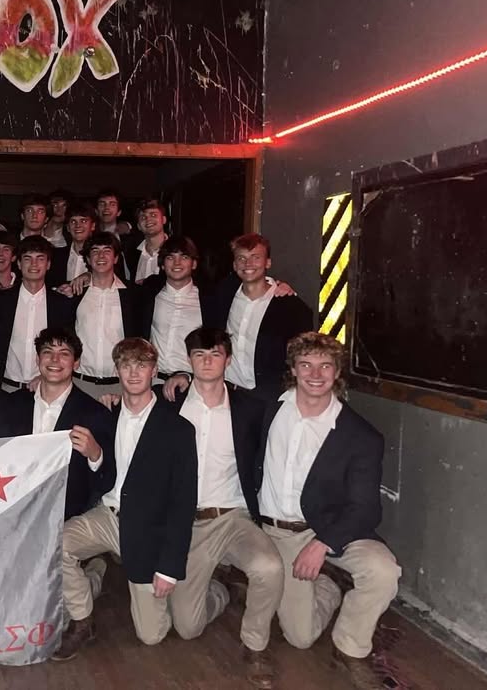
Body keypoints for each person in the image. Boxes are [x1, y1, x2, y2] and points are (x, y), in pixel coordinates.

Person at [257, 332, 400, 690]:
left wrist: (322, 543)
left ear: (337, 372)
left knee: (383, 570)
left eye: (325, 366)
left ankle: (351, 647)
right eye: (306, 365)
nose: (315, 374)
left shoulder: (361, 435)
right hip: (280, 531)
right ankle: (329, 587)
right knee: (300, 637)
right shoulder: (266, 407)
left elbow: (366, 509)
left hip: (333, 527)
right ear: (293, 369)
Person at [53, 337, 196, 660]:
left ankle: (211, 589)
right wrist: (95, 456)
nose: (133, 373)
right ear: (117, 370)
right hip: (108, 516)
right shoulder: (106, 416)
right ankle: (82, 620)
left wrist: (169, 567)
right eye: (126, 365)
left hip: (148, 529)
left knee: (151, 635)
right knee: (55, 544)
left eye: (141, 365)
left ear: (154, 371)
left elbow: (182, 503)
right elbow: (103, 475)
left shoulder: (177, 428)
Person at [165, 327, 284, 688]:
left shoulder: (250, 409)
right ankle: (222, 589)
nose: (207, 361)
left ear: (228, 360)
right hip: (185, 524)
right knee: (187, 627)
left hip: (232, 516)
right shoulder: (168, 403)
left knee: (269, 566)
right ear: (188, 360)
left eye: (215, 354)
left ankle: (256, 645)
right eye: (199, 355)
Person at [3, 327, 114, 520]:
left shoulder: (95, 413)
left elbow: (106, 481)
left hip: (65, 518)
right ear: (38, 360)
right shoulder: (11, 405)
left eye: (64, 354)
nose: (55, 360)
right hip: (12, 511)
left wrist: (95, 455)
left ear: (76, 363)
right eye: (48, 352)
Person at [200, 233, 314, 402]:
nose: (248, 264)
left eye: (256, 257)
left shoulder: (291, 307)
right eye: (242, 258)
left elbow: (303, 358)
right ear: (234, 264)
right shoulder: (223, 294)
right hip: (228, 394)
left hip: (270, 398)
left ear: (268, 262)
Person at [0, 235, 75, 392]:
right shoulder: (1, 301)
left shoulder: (61, 304)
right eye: (28, 258)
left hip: (46, 387)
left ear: (48, 264)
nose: (34, 264)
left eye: (40, 258)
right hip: (5, 388)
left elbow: (68, 348)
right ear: (19, 263)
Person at [71, 233, 146, 399]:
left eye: (107, 251)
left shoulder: (133, 295)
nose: (101, 256)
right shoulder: (76, 293)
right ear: (88, 259)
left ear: (116, 258)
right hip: (80, 383)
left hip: (120, 385)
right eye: (95, 251)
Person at [137, 236, 202, 382]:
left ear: (194, 264)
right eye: (170, 258)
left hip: (191, 381)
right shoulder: (148, 294)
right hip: (153, 380)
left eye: (184, 257)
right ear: (162, 265)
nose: (177, 263)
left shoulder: (207, 300)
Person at [50, 203, 97, 288]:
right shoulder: (55, 256)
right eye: (73, 221)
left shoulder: (102, 256)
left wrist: (90, 276)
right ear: (68, 227)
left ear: (93, 226)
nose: (78, 225)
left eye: (83, 221)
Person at [127, 200, 169, 283]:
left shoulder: (177, 251)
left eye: (153, 215)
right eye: (143, 217)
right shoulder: (130, 253)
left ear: (164, 219)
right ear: (138, 226)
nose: (148, 219)